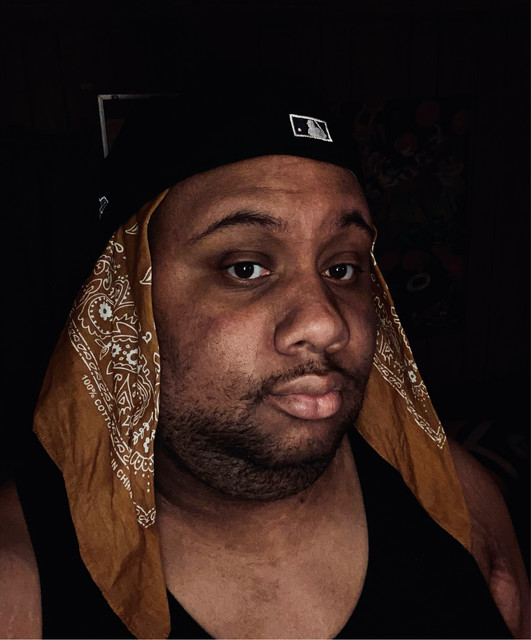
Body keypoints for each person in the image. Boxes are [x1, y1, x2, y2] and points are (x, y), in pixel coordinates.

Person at [0, 73, 529, 639]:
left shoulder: (459, 497)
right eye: (245, 268)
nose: (326, 324)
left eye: (342, 268)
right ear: (124, 305)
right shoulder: (20, 586)